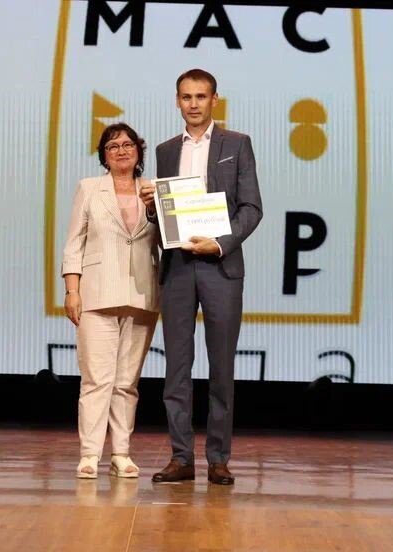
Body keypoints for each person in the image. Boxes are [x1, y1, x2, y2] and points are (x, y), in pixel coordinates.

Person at [139, 68, 263, 485]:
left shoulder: (237, 144)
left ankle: (218, 458)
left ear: (214, 100)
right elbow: (164, 217)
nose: (193, 104)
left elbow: (251, 208)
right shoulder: (165, 150)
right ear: (177, 101)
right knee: (177, 366)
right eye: (186, 97)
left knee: (221, 366)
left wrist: (220, 243)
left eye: (201, 96)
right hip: (177, 266)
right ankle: (181, 457)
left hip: (220, 266)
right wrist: (153, 207)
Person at [62, 123, 160, 479]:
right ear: (104, 155)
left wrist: (155, 210)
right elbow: (75, 241)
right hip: (97, 293)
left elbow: (167, 239)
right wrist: (72, 290)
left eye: (128, 144)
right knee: (96, 380)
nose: (121, 150)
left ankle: (121, 453)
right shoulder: (89, 188)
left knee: (126, 382)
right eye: (113, 146)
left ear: (139, 151)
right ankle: (90, 454)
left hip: (142, 293)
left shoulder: (153, 190)